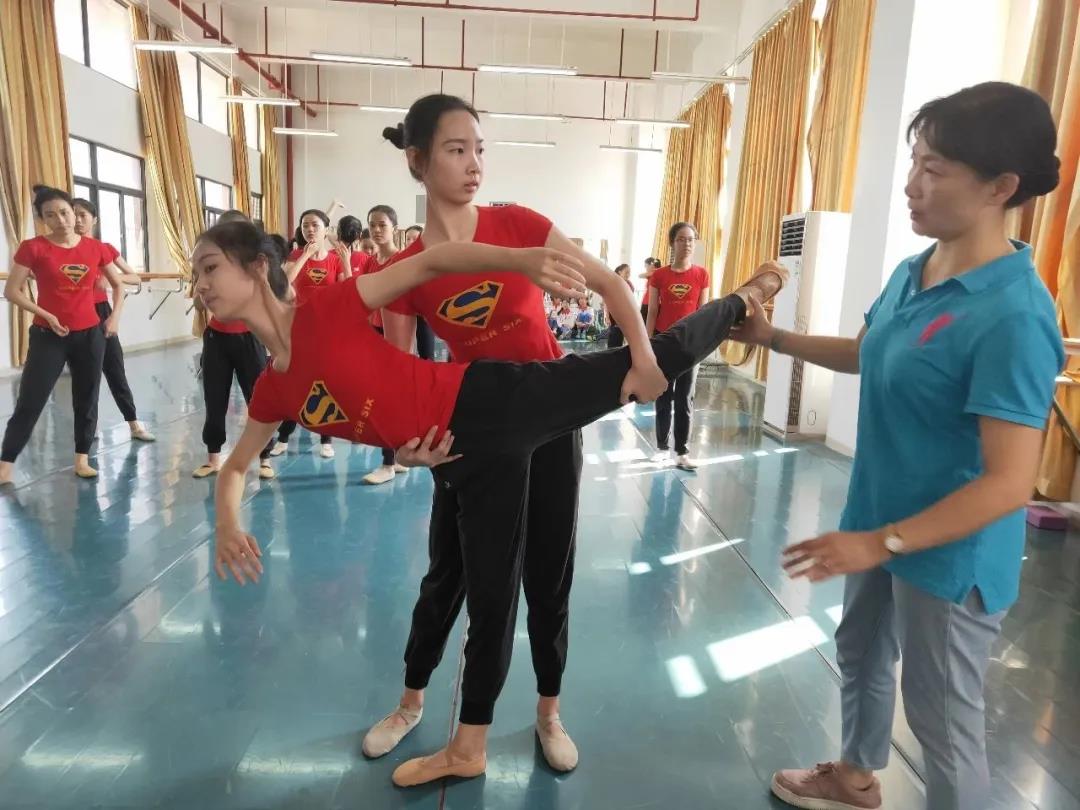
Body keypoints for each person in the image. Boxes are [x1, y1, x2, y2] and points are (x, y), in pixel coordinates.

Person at [197, 220, 785, 785]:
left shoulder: (327, 308)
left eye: (210, 267)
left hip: (490, 402)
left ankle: (743, 298)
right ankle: (458, 740)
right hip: (455, 458)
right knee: (481, 591)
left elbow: (430, 262)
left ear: (259, 267)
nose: (199, 284)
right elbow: (237, 467)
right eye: (197, 274)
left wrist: (520, 261)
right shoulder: (274, 389)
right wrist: (227, 523)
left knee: (643, 361)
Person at [731, 82, 1064, 810]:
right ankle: (852, 778)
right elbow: (868, 350)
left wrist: (882, 543)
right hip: (878, 520)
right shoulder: (916, 270)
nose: (912, 185)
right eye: (915, 162)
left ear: (1001, 187)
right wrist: (774, 337)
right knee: (860, 652)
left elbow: (1010, 482)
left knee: (942, 720)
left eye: (934, 169)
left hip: (947, 552)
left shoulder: (1013, 313)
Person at [369, 93, 672, 786]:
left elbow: (607, 283)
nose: (474, 164)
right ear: (417, 161)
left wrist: (644, 356)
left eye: (479, 149)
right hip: (472, 435)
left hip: (550, 420)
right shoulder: (410, 269)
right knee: (448, 575)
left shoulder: (520, 225)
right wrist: (405, 444)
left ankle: (548, 711)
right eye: (456, 150)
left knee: (548, 571)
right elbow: (399, 374)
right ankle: (411, 701)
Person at [0, 185, 126, 483]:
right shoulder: (33, 248)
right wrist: (46, 315)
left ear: (74, 212)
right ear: (42, 219)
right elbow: (12, 291)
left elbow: (118, 284)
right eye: (50, 215)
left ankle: (82, 458)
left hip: (90, 335)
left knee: (87, 398)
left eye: (65, 212)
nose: (60, 220)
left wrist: (114, 318)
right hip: (48, 336)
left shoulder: (95, 248)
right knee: (31, 399)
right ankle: (5, 464)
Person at [192, 208, 275, 481]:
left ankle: (265, 457)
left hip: (250, 336)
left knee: (259, 398)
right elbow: (199, 304)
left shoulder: (255, 264)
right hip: (217, 337)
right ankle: (213, 458)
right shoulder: (210, 263)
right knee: (214, 397)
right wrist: (203, 285)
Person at [71, 198, 155, 443]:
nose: (77, 220)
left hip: (101, 312)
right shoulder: (64, 250)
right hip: (76, 315)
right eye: (73, 215)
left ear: (94, 220)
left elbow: (134, 277)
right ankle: (89, 428)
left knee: (115, 370)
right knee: (85, 377)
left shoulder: (103, 248)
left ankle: (134, 425)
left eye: (83, 215)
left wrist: (111, 278)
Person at [270, 208, 344, 459]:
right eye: (305, 226)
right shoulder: (295, 255)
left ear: (325, 229)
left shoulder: (334, 259)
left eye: (314, 225)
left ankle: (326, 439)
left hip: (327, 331)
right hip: (298, 329)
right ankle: (283, 437)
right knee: (296, 384)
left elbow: (346, 289)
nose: (310, 229)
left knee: (326, 385)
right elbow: (283, 284)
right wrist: (305, 256)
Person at [359, 204, 415, 486]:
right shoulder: (371, 262)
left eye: (382, 224)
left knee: (387, 398)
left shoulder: (402, 260)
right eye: (372, 225)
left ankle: (388, 463)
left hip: (396, 336)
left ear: (394, 227)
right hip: (374, 334)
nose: (377, 230)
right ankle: (398, 456)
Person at [646, 224, 709, 471]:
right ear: (673, 242)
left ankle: (682, 452)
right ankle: (662, 448)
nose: (687, 244)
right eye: (681, 239)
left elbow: (703, 313)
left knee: (685, 398)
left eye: (691, 239)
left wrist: (703, 344)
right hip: (664, 342)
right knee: (663, 395)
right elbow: (652, 311)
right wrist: (647, 345)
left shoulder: (702, 274)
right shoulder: (659, 276)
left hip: (690, 345)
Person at [606, 263, 634, 348]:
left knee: (621, 338)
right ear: (619, 272)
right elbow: (607, 300)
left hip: (625, 314)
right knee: (614, 338)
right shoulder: (613, 283)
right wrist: (607, 316)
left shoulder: (629, 284)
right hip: (615, 313)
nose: (628, 275)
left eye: (629, 272)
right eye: (626, 272)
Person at [640, 257, 661, 321]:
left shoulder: (659, 274)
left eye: (646, 266)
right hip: (647, 302)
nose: (645, 268)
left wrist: (655, 271)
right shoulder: (651, 274)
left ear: (651, 265)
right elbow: (640, 275)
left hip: (652, 303)